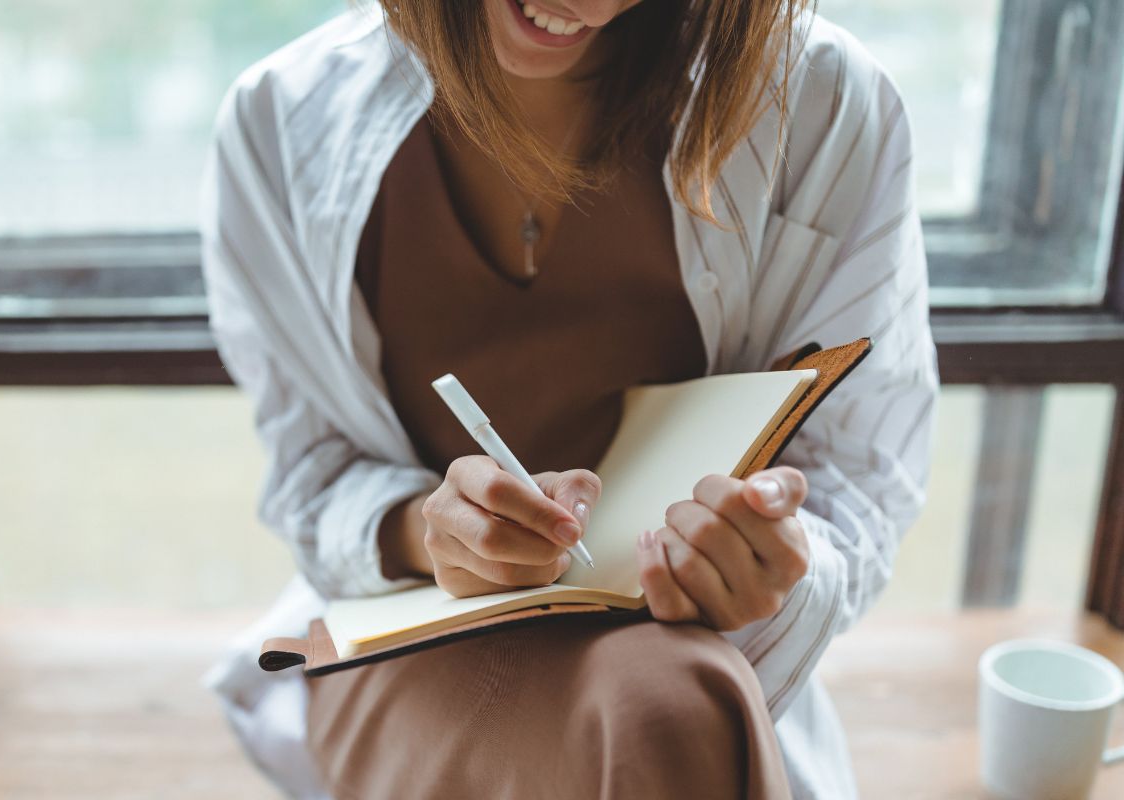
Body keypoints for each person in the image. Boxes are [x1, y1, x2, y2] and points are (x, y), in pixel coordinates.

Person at [200, 0, 938, 797]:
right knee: (669, 713)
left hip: (700, 648)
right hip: (407, 640)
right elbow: (312, 474)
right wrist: (432, 535)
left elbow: (860, 475)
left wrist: (774, 566)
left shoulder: (821, 103)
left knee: (664, 699)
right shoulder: (277, 123)